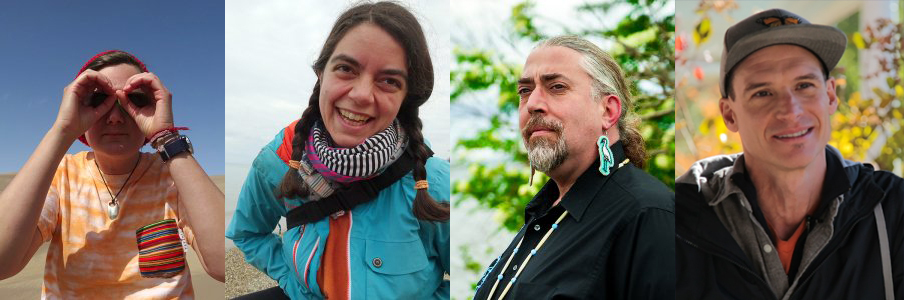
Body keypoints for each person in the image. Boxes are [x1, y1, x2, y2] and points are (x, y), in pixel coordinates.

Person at [226, 2, 450, 299]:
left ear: (405, 97)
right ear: (321, 73)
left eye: (389, 81)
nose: (360, 95)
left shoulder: (433, 183)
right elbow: (248, 233)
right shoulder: (278, 162)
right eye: (346, 69)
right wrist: (294, 284)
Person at [676, 8, 904, 299]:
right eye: (762, 93)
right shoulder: (680, 220)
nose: (790, 110)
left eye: (804, 86)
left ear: (831, 96)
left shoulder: (893, 211)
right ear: (729, 115)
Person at [0, 50, 225, 298]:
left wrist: (165, 136)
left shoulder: (172, 176)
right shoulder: (62, 175)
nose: (116, 117)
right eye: (98, 101)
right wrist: (61, 131)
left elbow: (222, 264)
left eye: (135, 101)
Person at [472, 35, 675, 300]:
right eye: (524, 91)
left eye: (556, 87)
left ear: (608, 111)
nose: (533, 103)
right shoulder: (545, 211)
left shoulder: (649, 213)